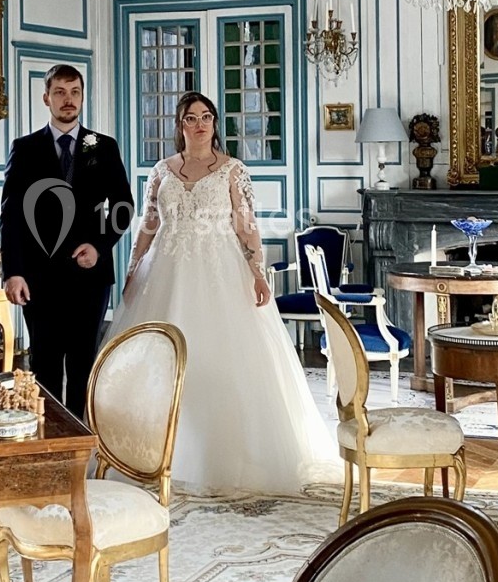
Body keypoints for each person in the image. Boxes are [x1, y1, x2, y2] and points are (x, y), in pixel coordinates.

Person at [107, 92, 337, 493]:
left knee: (222, 357)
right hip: (164, 271)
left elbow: (246, 226)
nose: (200, 124)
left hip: (219, 271)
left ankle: (226, 456)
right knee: (160, 360)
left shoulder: (232, 170)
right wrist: (132, 270)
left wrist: (258, 273)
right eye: (191, 118)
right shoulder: (161, 171)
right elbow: (148, 224)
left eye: (207, 117)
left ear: (214, 124)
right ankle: (149, 454)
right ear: (180, 125)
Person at [0, 65, 135, 414]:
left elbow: (123, 205)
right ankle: (47, 443)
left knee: (82, 366)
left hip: (89, 276)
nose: (68, 100)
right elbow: (11, 216)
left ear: (82, 96)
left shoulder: (102, 146)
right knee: (43, 364)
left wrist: (100, 245)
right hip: (37, 278)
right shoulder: (25, 148)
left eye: (74, 92)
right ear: (46, 98)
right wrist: (12, 272)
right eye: (60, 92)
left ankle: (79, 445)